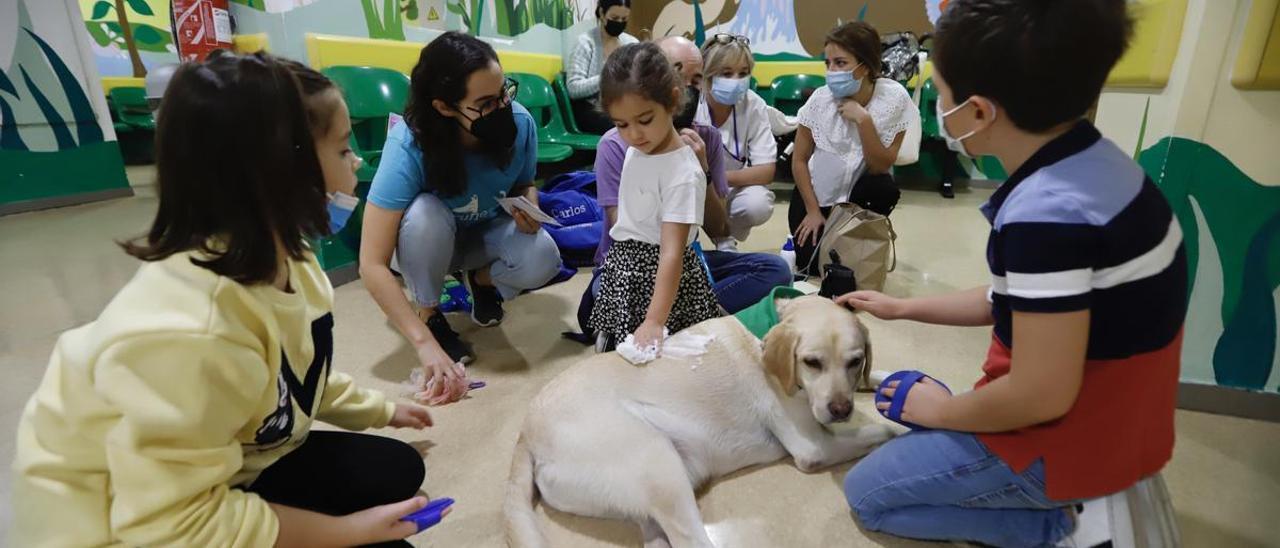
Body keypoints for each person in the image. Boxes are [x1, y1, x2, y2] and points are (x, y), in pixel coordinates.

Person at [10, 52, 441, 548]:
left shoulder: (292, 261)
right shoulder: (190, 332)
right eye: (344, 150)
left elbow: (300, 378)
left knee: (395, 469)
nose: (358, 162)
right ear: (280, 172)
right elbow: (173, 526)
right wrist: (344, 532)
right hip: (119, 524)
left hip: (230, 462)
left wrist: (379, 410)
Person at [840, 1, 1187, 547]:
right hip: (1122, 421)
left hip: (1062, 445)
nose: (941, 109)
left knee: (867, 495)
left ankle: (1057, 526)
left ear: (978, 112)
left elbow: (1041, 395)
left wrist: (947, 411)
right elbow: (1013, 299)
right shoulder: (1100, 164)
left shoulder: (1045, 215)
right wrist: (903, 307)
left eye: (944, 94)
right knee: (917, 412)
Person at [360, 33, 561, 398]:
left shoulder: (520, 123)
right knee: (425, 214)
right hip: (426, 243)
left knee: (544, 256)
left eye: (504, 92)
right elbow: (371, 263)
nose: (502, 107)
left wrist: (529, 205)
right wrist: (423, 344)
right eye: (485, 102)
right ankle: (430, 312)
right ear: (444, 107)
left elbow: (525, 183)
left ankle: (480, 282)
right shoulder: (409, 143)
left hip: (484, 235)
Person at [585, 37, 791, 325]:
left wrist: (703, 171)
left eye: (695, 80)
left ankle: (688, 314)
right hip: (629, 262)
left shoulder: (704, 141)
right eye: (676, 73)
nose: (633, 133)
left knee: (775, 270)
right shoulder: (618, 146)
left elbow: (719, 230)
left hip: (680, 258)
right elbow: (628, 230)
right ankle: (696, 316)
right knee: (601, 303)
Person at [588, 42, 724, 351]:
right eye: (621, 124)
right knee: (619, 356)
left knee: (668, 362)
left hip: (663, 278)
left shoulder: (683, 172)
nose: (634, 134)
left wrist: (654, 320)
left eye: (645, 120)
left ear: (673, 101)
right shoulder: (636, 149)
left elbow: (671, 253)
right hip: (626, 266)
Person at [790, 21, 916, 275]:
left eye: (841, 63)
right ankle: (815, 224)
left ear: (866, 66)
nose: (832, 71)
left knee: (883, 187)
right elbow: (800, 160)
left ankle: (867, 231)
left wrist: (864, 121)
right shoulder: (820, 100)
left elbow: (881, 165)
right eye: (828, 63)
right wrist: (813, 211)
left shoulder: (894, 98)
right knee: (813, 268)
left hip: (858, 203)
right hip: (816, 198)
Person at [696, 33, 778, 251]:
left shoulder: (754, 105)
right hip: (693, 186)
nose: (736, 81)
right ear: (707, 74)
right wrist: (707, 184)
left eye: (743, 73)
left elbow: (766, 171)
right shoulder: (692, 105)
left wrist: (718, 180)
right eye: (726, 73)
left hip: (730, 185)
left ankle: (725, 238)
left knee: (758, 204)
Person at [566, 0, 638, 134]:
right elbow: (573, 88)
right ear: (602, 13)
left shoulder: (632, 44)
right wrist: (607, 77)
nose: (619, 22)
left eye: (624, 19)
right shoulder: (586, 43)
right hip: (592, 109)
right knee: (623, 126)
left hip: (625, 105)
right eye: (615, 18)